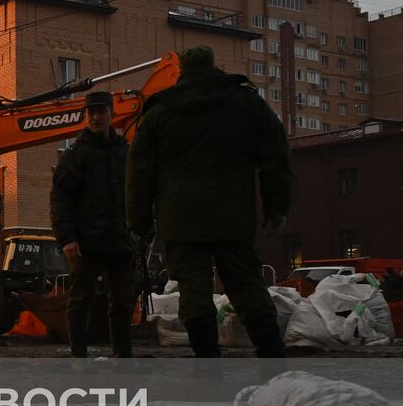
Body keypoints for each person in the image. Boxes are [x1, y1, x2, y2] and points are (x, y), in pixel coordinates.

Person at [127, 45, 291, 358]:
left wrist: (139, 223)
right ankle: (272, 356)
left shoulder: (160, 112)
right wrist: (276, 206)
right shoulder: (246, 104)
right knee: (246, 286)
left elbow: (139, 173)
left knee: (194, 291)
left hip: (182, 220)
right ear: (214, 65)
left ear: (183, 71)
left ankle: (207, 361)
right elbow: (275, 157)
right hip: (234, 216)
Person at [51, 91, 136, 358]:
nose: (97, 117)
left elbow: (138, 192)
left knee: (121, 304)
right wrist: (67, 238)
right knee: (79, 301)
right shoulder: (76, 155)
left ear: (112, 114)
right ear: (85, 115)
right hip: (85, 242)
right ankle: (79, 358)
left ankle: (123, 358)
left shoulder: (124, 151)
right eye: (92, 112)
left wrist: (140, 233)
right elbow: (60, 198)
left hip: (120, 240)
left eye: (101, 111)